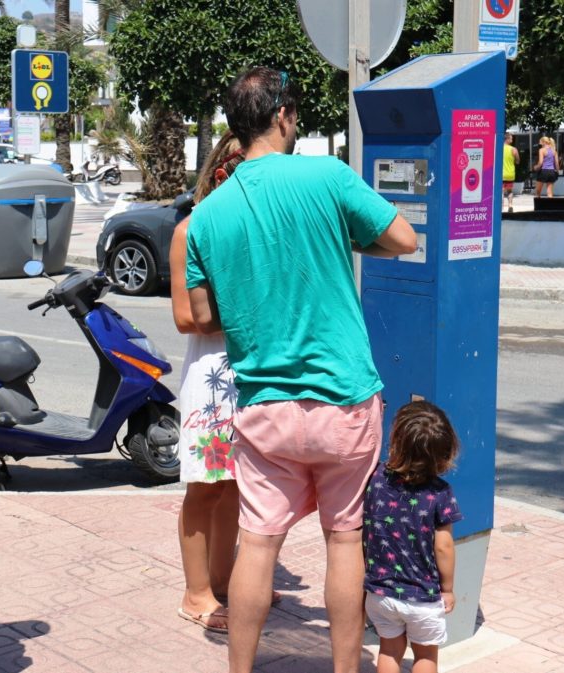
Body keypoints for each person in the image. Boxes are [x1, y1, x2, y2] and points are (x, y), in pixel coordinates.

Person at [185, 67, 417, 673]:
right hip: (344, 401)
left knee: (259, 543)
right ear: (284, 114)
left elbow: (205, 313)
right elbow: (403, 239)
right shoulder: (327, 176)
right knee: (344, 538)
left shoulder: (209, 214)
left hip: (263, 406)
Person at [171, 132, 281, 634]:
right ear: (222, 170)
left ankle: (225, 576)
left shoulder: (263, 227)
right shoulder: (191, 228)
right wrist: (249, 311)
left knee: (239, 484)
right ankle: (196, 592)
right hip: (214, 377)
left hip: (255, 369)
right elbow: (184, 317)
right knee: (205, 486)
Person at [363, 401, 463, 673]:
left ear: (396, 440)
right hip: (423, 596)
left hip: (380, 593)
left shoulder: (376, 478)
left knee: (389, 649)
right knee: (425, 654)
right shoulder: (441, 493)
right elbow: (443, 547)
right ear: (444, 453)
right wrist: (448, 588)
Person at [501, 132, 520, 212]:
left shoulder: (498, 148)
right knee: (509, 191)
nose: (512, 140)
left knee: (501, 191)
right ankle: (510, 206)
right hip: (510, 174)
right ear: (507, 139)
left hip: (500, 174)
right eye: (511, 138)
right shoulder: (514, 149)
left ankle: (500, 207)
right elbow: (518, 161)